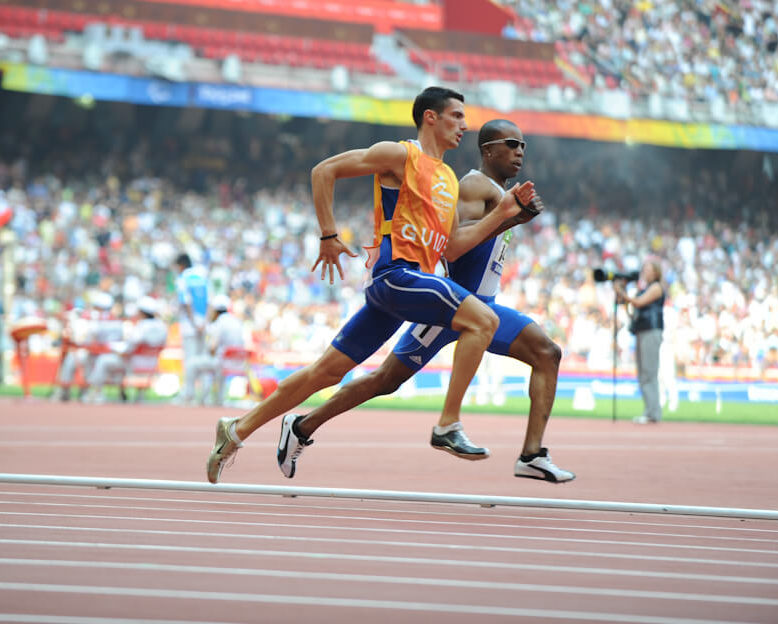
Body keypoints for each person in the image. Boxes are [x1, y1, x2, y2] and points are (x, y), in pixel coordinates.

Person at [206, 86, 537, 483]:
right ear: (430, 117)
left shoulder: (449, 179)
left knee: (326, 373)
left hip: (411, 286)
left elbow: (451, 249)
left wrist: (504, 214)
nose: (464, 126)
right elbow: (323, 171)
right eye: (456, 116)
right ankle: (448, 424)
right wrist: (328, 235)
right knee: (482, 320)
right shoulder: (400, 154)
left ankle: (237, 429)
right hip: (396, 276)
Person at [276, 119, 575, 482]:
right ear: (488, 150)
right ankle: (302, 425)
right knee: (385, 380)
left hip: (484, 307)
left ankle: (532, 454)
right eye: (511, 144)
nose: (519, 152)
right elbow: (454, 245)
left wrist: (513, 217)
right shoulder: (473, 185)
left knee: (547, 353)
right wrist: (507, 219)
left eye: (523, 146)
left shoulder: (500, 192)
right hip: (451, 309)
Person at [84, 296, 168, 403]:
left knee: (104, 360)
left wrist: (117, 348)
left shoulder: (141, 326)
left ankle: (95, 392)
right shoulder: (162, 327)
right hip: (152, 364)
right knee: (116, 361)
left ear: (142, 312)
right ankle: (136, 395)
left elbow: (129, 347)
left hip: (134, 364)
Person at [614, 259, 666, 424]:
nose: (645, 271)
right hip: (642, 331)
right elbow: (634, 311)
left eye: (649, 268)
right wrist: (623, 298)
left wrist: (622, 293)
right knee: (643, 372)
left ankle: (653, 412)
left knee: (649, 372)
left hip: (651, 331)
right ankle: (650, 410)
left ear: (656, 272)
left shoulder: (656, 288)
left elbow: (638, 303)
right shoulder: (644, 289)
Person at [188, 294, 246, 405]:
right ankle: (216, 399)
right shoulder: (237, 321)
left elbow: (213, 348)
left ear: (215, 311)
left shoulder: (219, 323)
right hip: (238, 362)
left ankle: (189, 397)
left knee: (192, 364)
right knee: (210, 364)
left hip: (222, 363)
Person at [174, 252, 209, 405]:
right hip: (204, 324)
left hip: (190, 325)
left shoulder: (183, 279)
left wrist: (194, 323)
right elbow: (210, 302)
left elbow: (186, 302)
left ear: (180, 265)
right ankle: (205, 395)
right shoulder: (203, 276)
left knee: (190, 360)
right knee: (203, 359)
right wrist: (204, 323)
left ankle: (188, 394)